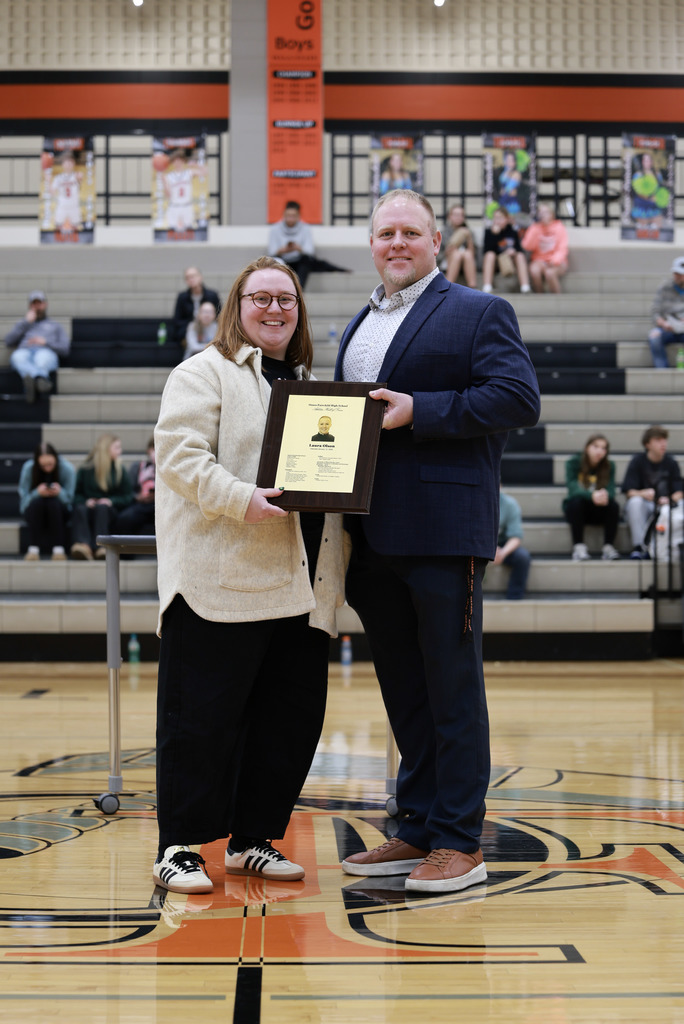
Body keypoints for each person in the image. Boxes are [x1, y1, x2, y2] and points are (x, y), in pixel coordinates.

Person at [335, 190, 540, 894]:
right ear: (371, 243)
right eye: (385, 232)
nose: (397, 242)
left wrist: (423, 410)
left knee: (451, 689)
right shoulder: (360, 322)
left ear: (435, 240)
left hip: (444, 533)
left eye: (410, 232)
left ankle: (460, 842)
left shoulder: (480, 310)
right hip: (371, 535)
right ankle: (417, 826)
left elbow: (518, 399)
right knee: (406, 693)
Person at [152, 255, 348, 895]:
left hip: (297, 588)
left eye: (285, 300)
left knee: (286, 723)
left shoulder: (314, 385)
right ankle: (178, 845)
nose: (274, 309)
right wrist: (242, 499)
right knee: (201, 723)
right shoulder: (200, 374)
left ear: (299, 311)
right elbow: (180, 458)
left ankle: (252, 840)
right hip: (216, 583)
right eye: (260, 298)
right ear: (237, 307)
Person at [621, 425, 683, 560]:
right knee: (635, 503)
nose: (663, 443)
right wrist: (643, 493)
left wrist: (669, 499)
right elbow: (629, 491)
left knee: (678, 506)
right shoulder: (637, 461)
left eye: (664, 440)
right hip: (647, 506)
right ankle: (639, 547)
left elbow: (680, 492)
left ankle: (670, 548)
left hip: (665, 508)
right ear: (647, 444)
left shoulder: (671, 463)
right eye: (658, 440)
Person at [70, 434, 133, 560]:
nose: (120, 451)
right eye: (117, 448)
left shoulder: (119, 469)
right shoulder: (85, 469)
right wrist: (87, 501)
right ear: (106, 449)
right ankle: (84, 546)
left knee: (102, 508)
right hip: (88, 508)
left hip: (108, 510)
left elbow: (127, 497)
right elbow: (76, 496)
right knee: (80, 508)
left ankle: (101, 547)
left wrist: (111, 501)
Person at [563, 434, 621, 561]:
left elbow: (611, 491)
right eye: (596, 446)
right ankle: (578, 547)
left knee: (613, 506)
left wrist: (604, 496)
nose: (600, 451)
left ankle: (608, 547)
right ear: (586, 448)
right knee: (575, 502)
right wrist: (592, 495)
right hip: (579, 510)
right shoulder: (573, 462)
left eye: (603, 448)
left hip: (598, 509)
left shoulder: (609, 465)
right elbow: (573, 489)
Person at [4, 291, 70, 403]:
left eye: (39, 303)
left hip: (45, 351)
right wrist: (26, 323)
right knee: (17, 357)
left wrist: (46, 342)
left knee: (42, 358)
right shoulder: (23, 324)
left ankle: (31, 384)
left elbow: (65, 349)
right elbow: (8, 341)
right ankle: (40, 380)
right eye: (34, 303)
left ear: (45, 304)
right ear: (30, 306)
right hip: (25, 350)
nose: (37, 306)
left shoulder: (55, 325)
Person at [267, 201, 349, 288]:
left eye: (293, 216)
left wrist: (298, 249)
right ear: (284, 215)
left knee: (311, 261)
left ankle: (299, 288)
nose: (290, 218)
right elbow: (272, 252)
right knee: (274, 261)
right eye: (288, 216)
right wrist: (283, 250)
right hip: (283, 262)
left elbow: (310, 251)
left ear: (298, 216)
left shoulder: (305, 228)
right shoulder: (275, 229)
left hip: (300, 261)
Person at [18, 442, 76, 561]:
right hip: (35, 509)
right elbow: (23, 503)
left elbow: (70, 502)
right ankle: (33, 549)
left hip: (59, 510)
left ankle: (58, 549)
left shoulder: (67, 469)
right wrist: (37, 493)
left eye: (50, 464)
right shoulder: (28, 468)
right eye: (43, 466)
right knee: (38, 503)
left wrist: (59, 492)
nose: (47, 469)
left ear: (56, 459)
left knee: (53, 503)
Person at [481, 206, 531, 294]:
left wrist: (513, 251)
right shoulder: (489, 232)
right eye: (496, 218)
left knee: (520, 256)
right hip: (496, 261)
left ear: (507, 219)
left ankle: (525, 286)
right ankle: (487, 286)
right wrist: (494, 235)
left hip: (509, 261)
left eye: (500, 218)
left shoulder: (513, 231)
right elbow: (487, 250)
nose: (498, 221)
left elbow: (519, 249)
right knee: (490, 255)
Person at [522, 202, 569, 294]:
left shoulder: (559, 227)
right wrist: (535, 229)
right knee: (534, 271)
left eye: (546, 212)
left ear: (552, 214)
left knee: (550, 273)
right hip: (539, 260)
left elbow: (562, 248)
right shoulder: (535, 227)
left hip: (556, 261)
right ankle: (540, 296)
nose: (543, 215)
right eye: (541, 212)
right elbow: (527, 246)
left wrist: (554, 261)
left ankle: (557, 299)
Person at [647, 256, 684, 368]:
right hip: (667, 328)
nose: (678, 276)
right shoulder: (664, 288)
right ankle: (662, 371)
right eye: (676, 273)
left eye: (680, 274)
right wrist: (663, 323)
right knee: (654, 337)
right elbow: (655, 311)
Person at [114, 437, 156, 536]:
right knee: (124, 519)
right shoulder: (137, 467)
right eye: (153, 448)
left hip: (160, 506)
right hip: (141, 504)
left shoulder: (169, 469)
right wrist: (138, 497)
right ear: (148, 450)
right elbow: (128, 491)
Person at [494, 490, 531, 598]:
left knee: (522, 557)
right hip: (478, 545)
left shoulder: (509, 504)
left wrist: (503, 553)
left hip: (502, 544)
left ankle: (514, 597)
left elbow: (516, 537)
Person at [172, 267, 221, 344]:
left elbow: (220, 316)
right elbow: (177, 320)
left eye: (193, 276)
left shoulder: (212, 295)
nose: (191, 279)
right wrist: (192, 325)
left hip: (210, 329)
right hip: (189, 331)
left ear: (200, 277)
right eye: (187, 277)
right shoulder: (182, 297)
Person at [440, 204, 477, 289]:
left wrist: (468, 237)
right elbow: (440, 253)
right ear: (450, 216)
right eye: (456, 215)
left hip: (467, 260)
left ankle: (473, 287)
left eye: (461, 215)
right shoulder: (444, 232)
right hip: (448, 260)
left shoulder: (469, 231)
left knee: (467, 254)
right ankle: (447, 286)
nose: (458, 217)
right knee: (457, 254)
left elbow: (473, 253)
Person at [498, 150, 523, 215]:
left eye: (511, 160)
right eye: (507, 160)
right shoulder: (503, 173)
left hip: (511, 203)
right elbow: (501, 189)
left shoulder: (516, 174)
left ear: (515, 162)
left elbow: (508, 189)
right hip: (503, 200)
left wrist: (504, 192)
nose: (508, 162)